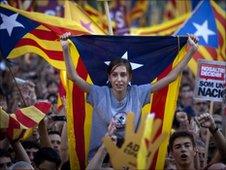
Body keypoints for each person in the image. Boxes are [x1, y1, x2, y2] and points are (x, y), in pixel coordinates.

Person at [60, 33, 198, 159]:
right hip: (100, 159)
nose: (119, 79)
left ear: (129, 77)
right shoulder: (98, 93)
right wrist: (65, 49)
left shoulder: (138, 93)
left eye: (123, 75)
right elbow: (73, 77)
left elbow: (170, 78)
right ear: (109, 77)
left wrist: (190, 51)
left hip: (129, 160)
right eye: (114, 75)